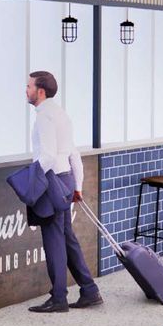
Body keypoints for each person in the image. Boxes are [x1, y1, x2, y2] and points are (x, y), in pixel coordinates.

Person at [26, 70, 101, 313]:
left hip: (52, 181)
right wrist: (76, 186)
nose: (25, 90)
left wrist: (31, 179)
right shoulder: (61, 114)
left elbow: (47, 155)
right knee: (67, 238)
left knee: (54, 241)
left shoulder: (44, 117)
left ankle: (58, 298)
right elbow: (73, 154)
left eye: (28, 87)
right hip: (66, 179)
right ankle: (89, 290)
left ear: (41, 91)